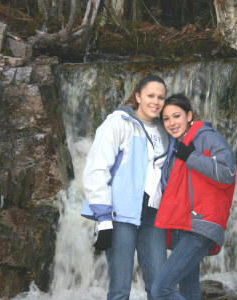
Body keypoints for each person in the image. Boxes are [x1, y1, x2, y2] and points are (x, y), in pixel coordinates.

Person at [81, 75, 169, 300]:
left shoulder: (164, 129)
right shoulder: (118, 123)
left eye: (161, 97)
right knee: (120, 288)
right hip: (120, 214)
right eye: (151, 96)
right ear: (138, 96)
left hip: (153, 215)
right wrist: (103, 218)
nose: (156, 102)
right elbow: (97, 169)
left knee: (159, 286)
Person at [151, 93, 236, 300]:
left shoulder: (207, 136)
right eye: (166, 118)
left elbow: (228, 173)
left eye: (176, 116)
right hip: (182, 225)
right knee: (188, 293)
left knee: (161, 289)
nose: (172, 123)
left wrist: (191, 156)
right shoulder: (175, 146)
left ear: (189, 116)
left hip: (199, 225)